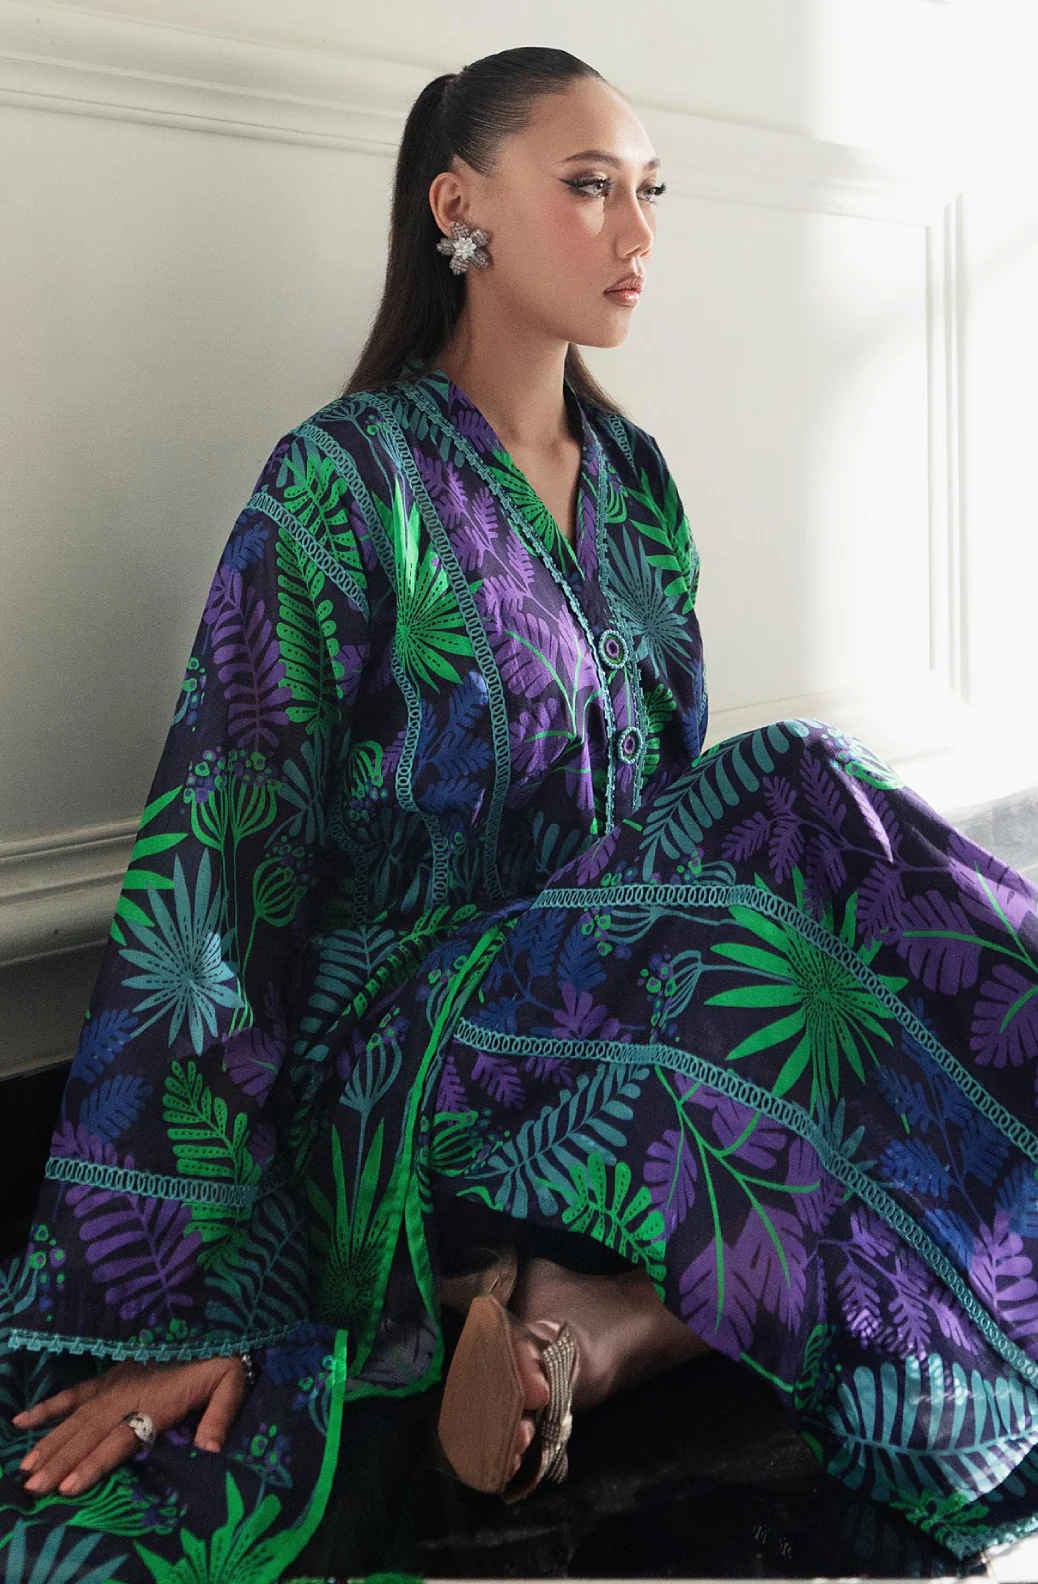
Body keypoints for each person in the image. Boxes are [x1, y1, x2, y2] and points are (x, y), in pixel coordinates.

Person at [3, 41, 1038, 1583]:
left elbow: (667, 816)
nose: (636, 231)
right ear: (458, 208)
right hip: (403, 1052)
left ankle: (572, 1335)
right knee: (794, 793)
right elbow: (222, 865)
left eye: (652, 192)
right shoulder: (344, 482)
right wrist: (190, 1300)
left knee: (814, 928)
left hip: (604, 1027)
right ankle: (549, 1307)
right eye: (590, 185)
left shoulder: (636, 487)